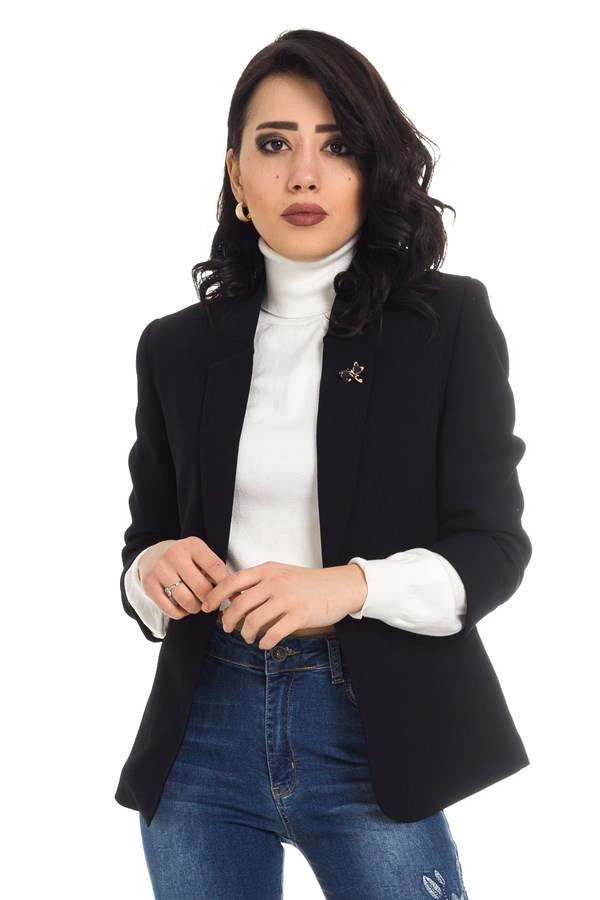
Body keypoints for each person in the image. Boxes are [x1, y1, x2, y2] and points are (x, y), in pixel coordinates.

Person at [115, 28, 531, 900]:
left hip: (371, 728)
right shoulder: (176, 348)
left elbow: (493, 548)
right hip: (203, 728)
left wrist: (346, 586)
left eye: (336, 146)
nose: (304, 174)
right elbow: (145, 540)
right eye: (275, 145)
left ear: (372, 170)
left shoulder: (443, 325)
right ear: (236, 176)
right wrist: (152, 571)